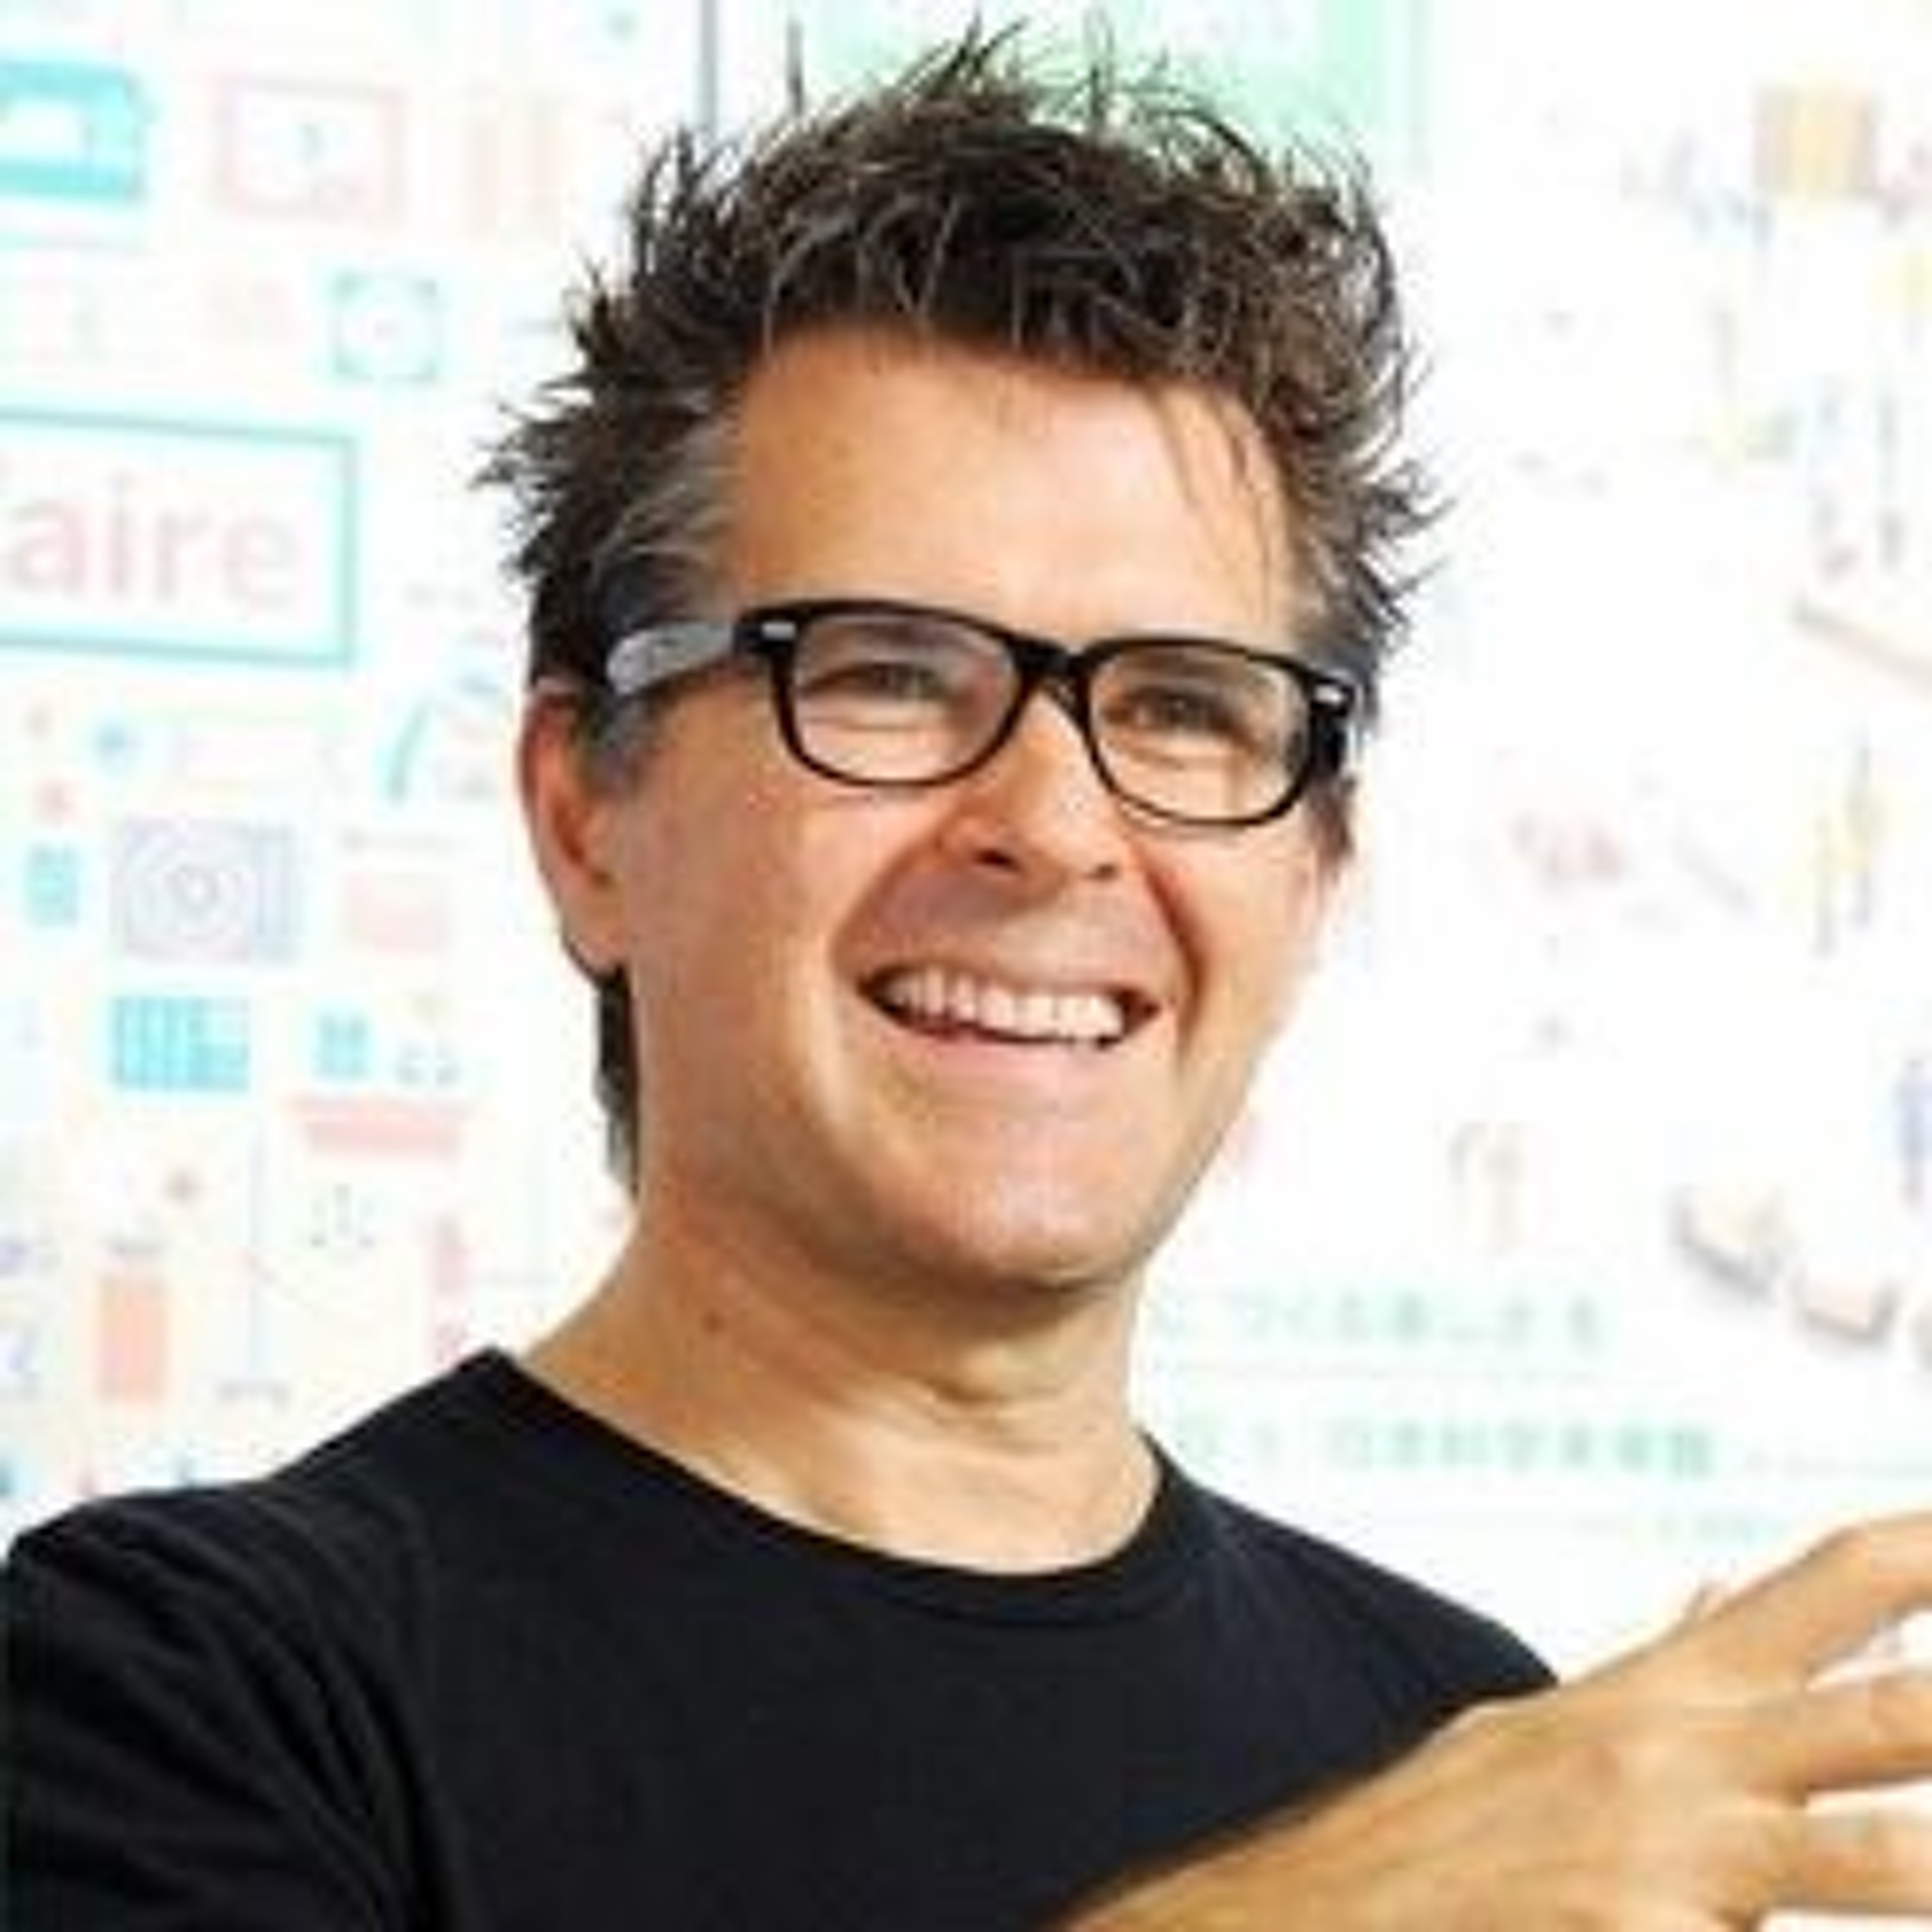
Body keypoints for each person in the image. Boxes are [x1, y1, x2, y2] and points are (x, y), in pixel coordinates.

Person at [9, 28, 1932, 1930]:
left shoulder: (1455, 1730)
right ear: (587, 817)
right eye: (887, 675)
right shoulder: (173, 1694)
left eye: (1184, 709)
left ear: (1314, 874)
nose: (1056, 825)